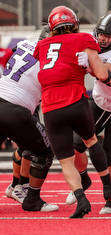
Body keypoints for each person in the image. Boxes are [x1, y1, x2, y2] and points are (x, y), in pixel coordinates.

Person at [33, 6, 111, 218]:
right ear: (73, 24)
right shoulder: (82, 38)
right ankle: (108, 187)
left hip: (51, 108)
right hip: (75, 101)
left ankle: (81, 199)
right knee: (91, 141)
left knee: (65, 160)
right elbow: (101, 73)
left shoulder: (42, 45)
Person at [64, 14, 111, 213]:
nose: (102, 39)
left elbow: (105, 73)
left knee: (107, 159)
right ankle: (83, 179)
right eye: (100, 34)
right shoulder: (94, 43)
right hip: (99, 102)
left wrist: (88, 62)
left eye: (107, 35)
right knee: (75, 145)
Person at [0, 26, 58, 212]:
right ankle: (32, 199)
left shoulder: (24, 44)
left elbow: (12, 57)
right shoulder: (50, 58)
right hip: (16, 109)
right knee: (45, 150)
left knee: (27, 146)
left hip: (4, 96)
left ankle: (18, 186)